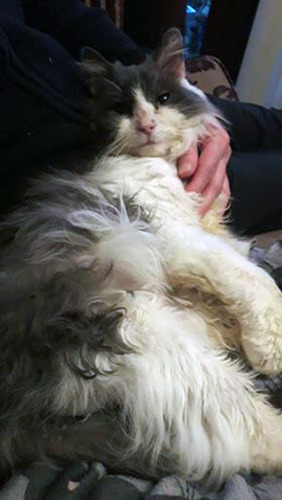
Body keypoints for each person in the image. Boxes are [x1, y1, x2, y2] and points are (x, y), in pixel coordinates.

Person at [0, 0, 281, 236]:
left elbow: (64, 13)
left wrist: (149, 70)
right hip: (86, 149)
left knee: (269, 122)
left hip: (136, 83)